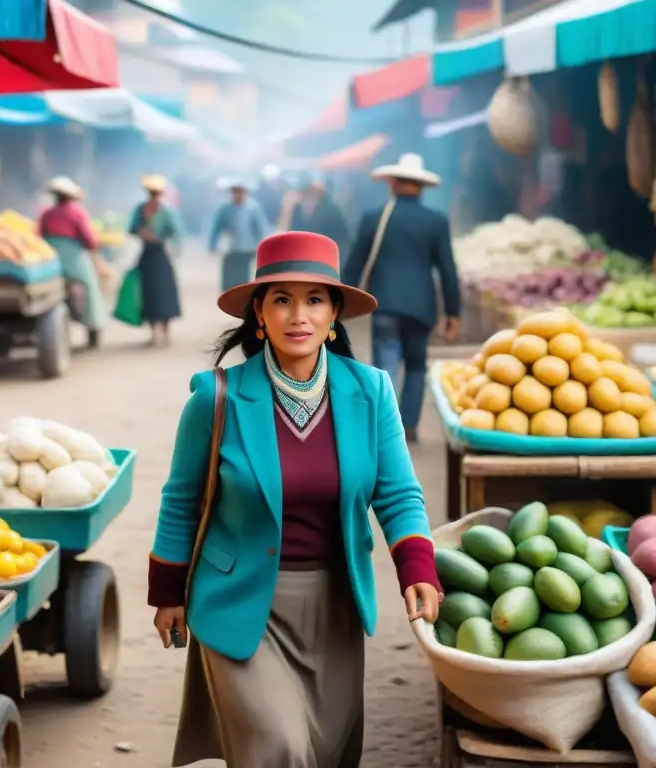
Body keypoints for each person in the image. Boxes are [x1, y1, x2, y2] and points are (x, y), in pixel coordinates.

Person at [148, 231, 442, 767]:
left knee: (325, 753)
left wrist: (417, 566)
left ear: (334, 316)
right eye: (281, 299)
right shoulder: (217, 398)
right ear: (259, 314)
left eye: (314, 299)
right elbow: (181, 500)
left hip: (334, 604)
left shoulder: (370, 391)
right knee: (278, 748)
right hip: (238, 603)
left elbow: (398, 492)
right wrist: (168, 589)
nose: (298, 315)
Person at [343, 153, 461, 443]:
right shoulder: (436, 221)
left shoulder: (374, 218)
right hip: (421, 309)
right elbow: (448, 270)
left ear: (392, 183)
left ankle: (386, 427)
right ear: (421, 186)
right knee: (417, 365)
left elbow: (355, 262)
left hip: (384, 306)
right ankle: (409, 426)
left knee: (386, 365)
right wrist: (453, 313)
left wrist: (341, 302)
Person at [38, 176, 109, 349]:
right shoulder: (77, 212)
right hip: (74, 259)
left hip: (51, 260)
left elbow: (39, 237)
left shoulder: (47, 213)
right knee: (90, 286)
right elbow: (89, 239)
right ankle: (94, 323)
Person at [129, 174, 183, 348]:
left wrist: (168, 246)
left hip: (161, 254)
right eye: (151, 192)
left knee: (165, 293)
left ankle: (167, 333)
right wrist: (141, 232)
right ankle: (154, 333)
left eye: (156, 192)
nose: (154, 195)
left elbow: (176, 233)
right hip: (147, 254)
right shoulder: (140, 210)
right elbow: (132, 228)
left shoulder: (167, 211)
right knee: (149, 294)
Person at [208, 179, 271, 292]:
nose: (238, 195)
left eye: (241, 192)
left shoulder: (253, 208)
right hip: (230, 248)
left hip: (247, 248)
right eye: (236, 192)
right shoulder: (225, 208)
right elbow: (216, 228)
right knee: (229, 277)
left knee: (243, 277)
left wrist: (264, 247)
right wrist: (212, 245)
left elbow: (261, 228)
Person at [289, 172, 351, 260]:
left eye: (310, 192)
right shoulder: (297, 211)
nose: (306, 196)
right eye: (304, 193)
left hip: (328, 259)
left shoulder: (331, 212)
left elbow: (342, 240)